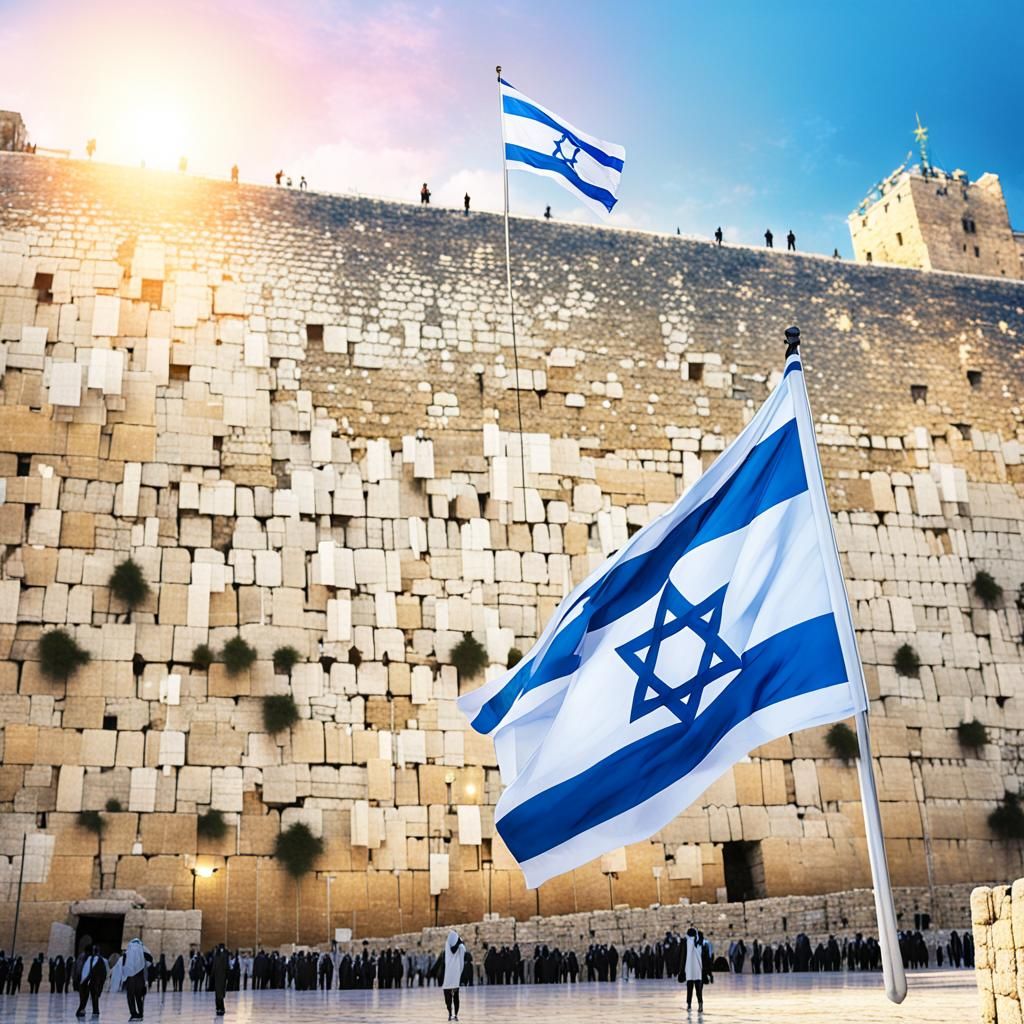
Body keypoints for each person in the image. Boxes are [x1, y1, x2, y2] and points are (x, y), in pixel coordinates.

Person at [123, 937, 152, 1021]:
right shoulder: (143, 951)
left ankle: (133, 1014)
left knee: (130, 996)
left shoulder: (127, 952)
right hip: (140, 978)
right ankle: (140, 1014)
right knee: (139, 996)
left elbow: (124, 965)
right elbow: (150, 961)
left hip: (130, 978)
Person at [75, 945, 107, 1019]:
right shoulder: (99, 959)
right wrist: (102, 981)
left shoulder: (90, 958)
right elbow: (104, 972)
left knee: (86, 996)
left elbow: (85, 971)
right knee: (93, 996)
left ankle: (83, 1009)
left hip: (89, 981)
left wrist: (83, 980)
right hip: (94, 981)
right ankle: (95, 1011)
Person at [441, 929, 466, 1021]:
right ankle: (452, 1014)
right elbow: (453, 950)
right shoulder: (453, 945)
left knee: (453, 996)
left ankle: (453, 1014)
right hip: (452, 975)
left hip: (452, 976)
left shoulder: (456, 945)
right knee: (453, 996)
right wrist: (459, 942)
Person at [680, 927, 704, 1013]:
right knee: (699, 989)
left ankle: (689, 1005)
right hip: (698, 970)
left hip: (689, 969)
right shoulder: (700, 942)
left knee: (689, 988)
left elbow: (683, 957)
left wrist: (681, 970)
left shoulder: (686, 942)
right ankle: (700, 1005)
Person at [212, 943, 229, 1016]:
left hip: (217, 977)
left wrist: (212, 976)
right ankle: (221, 1008)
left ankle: (218, 1007)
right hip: (222, 977)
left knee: (217, 993)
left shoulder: (216, 956)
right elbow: (226, 967)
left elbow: (214, 967)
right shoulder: (225, 956)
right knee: (221, 993)